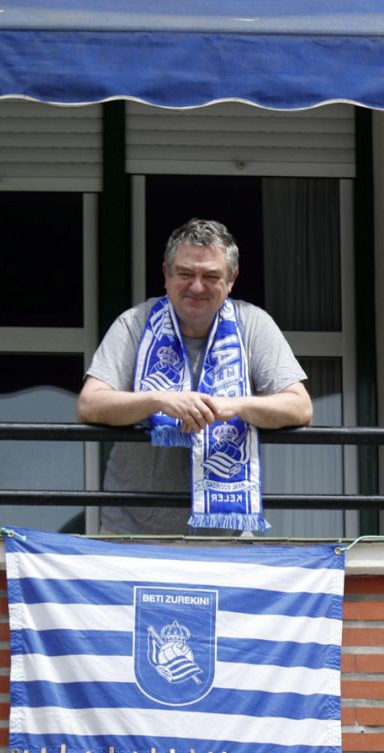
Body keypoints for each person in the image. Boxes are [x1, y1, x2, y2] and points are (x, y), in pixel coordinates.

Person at [77, 218, 312, 534]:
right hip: (131, 531)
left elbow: (300, 408)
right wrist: (160, 399)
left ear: (232, 279)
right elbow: (90, 405)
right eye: (186, 273)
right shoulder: (134, 323)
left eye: (211, 276)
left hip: (226, 536)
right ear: (166, 274)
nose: (196, 286)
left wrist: (234, 407)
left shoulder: (253, 324)